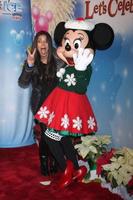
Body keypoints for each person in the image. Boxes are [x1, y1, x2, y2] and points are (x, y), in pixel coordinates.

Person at [34, 19, 114, 188]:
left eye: (76, 43)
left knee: (49, 136)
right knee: (62, 138)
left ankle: (66, 168)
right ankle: (76, 169)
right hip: (60, 103)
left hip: (70, 106)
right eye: (67, 43)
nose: (69, 47)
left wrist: (80, 68)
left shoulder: (83, 66)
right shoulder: (70, 64)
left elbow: (80, 87)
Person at [18, 30, 65, 176]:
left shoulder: (58, 61)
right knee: (46, 135)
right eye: (39, 41)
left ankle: (55, 159)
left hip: (57, 105)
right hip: (40, 107)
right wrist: (30, 65)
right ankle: (45, 161)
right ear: (36, 45)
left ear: (49, 44)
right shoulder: (32, 62)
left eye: (45, 41)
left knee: (56, 135)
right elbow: (23, 82)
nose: (42, 44)